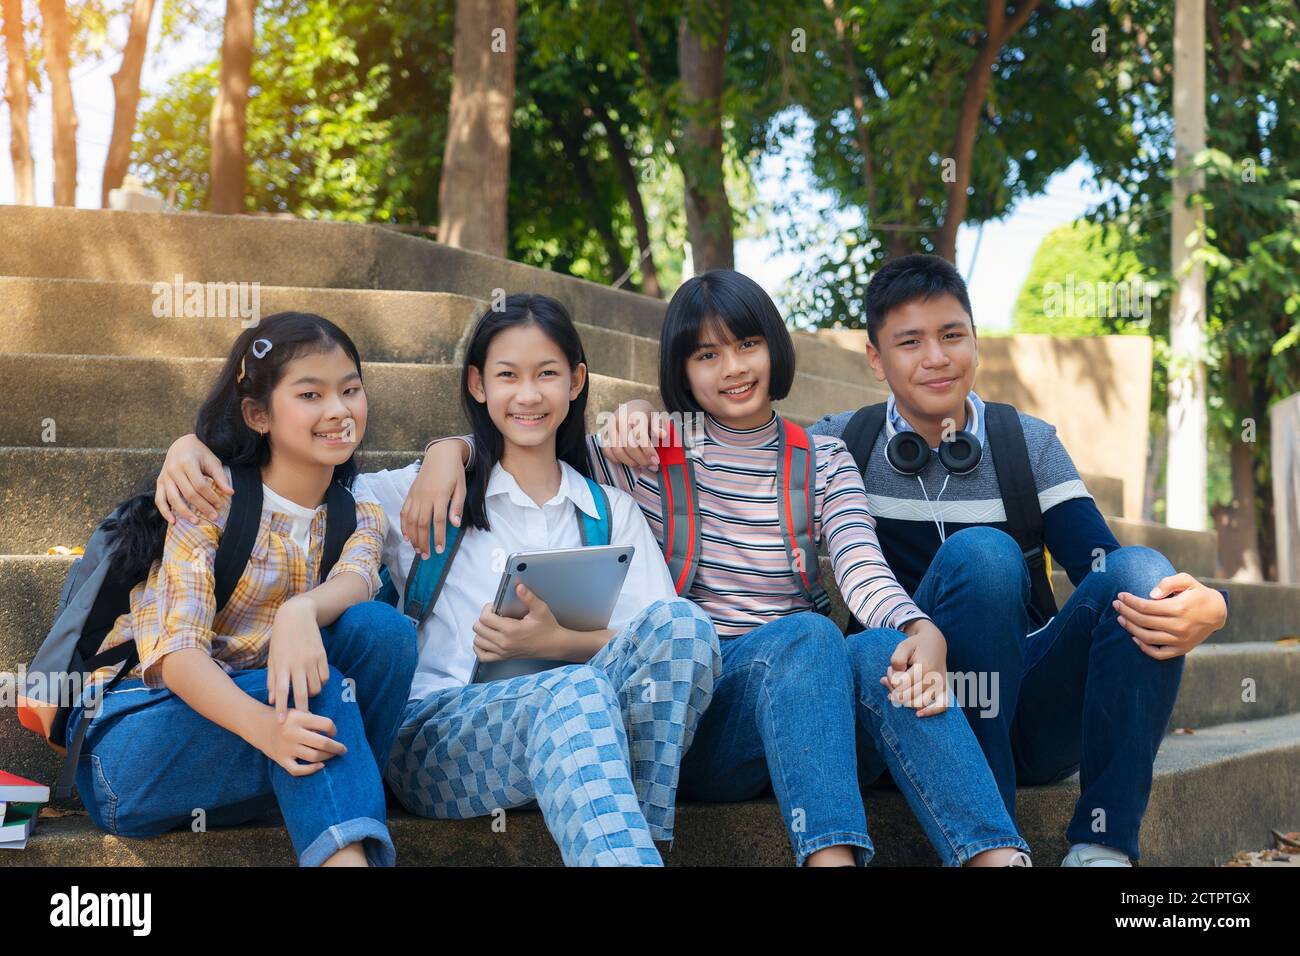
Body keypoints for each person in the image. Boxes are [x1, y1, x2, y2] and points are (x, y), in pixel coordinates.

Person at [406, 272, 1031, 867]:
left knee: (876, 654)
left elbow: (860, 567)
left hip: (813, 707)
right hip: (706, 718)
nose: (733, 369)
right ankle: (830, 855)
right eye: (706, 356)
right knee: (810, 634)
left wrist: (919, 629)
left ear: (773, 349)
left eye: (748, 345)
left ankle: (994, 853)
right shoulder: (643, 454)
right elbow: (528, 436)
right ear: (682, 370)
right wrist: (448, 451)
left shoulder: (825, 457)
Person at [154, 294, 721, 867]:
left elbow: (656, 646)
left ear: (576, 382)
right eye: (508, 376)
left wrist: (559, 645)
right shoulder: (410, 496)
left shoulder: (611, 512)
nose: (528, 394)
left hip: (587, 732)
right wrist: (189, 447)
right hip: (441, 734)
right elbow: (298, 476)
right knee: (573, 690)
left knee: (684, 626)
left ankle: (640, 835)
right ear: (477, 384)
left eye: (547, 374)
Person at [809, 254, 1229, 866]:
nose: (936, 357)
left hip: (1026, 713)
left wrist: (1214, 604)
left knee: (1143, 575)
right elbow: (729, 482)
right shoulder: (839, 442)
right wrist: (643, 426)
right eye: (910, 341)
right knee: (983, 555)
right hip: (905, 710)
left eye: (952, 335)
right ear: (876, 358)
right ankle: (993, 843)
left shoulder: (1026, 444)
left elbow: (1109, 571)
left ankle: (1101, 848)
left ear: (976, 342)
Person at [70, 312, 418, 867]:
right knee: (321, 695)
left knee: (385, 631)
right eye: (311, 394)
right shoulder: (209, 500)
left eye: (351, 390)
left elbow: (358, 579)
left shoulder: (359, 512)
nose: (339, 410)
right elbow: (179, 658)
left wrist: (298, 613)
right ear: (258, 414)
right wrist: (268, 728)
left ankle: (323, 807)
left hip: (250, 763)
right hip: (138, 748)